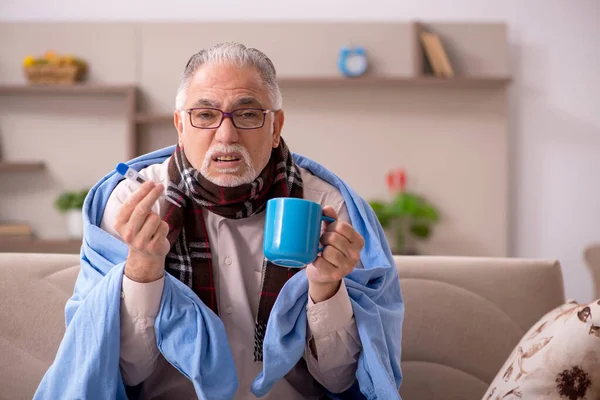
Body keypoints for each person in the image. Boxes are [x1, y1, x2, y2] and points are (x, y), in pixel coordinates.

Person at [33, 42, 404, 400]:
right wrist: (143, 268)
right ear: (180, 125)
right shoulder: (133, 205)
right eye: (206, 115)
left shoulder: (327, 206)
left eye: (247, 114)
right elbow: (121, 373)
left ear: (275, 127)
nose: (226, 135)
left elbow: (342, 382)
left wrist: (327, 286)